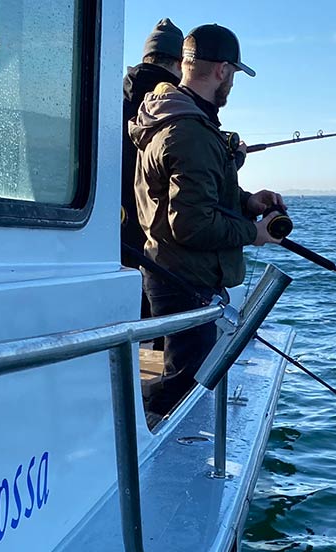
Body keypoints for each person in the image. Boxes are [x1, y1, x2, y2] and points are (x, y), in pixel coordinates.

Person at [129, 23, 285, 423]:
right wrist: (255, 233)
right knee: (181, 393)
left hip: (174, 272)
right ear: (221, 71)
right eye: (232, 75)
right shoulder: (189, 130)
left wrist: (248, 201)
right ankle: (152, 459)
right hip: (183, 278)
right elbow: (192, 224)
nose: (231, 84)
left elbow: (199, 194)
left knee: (182, 380)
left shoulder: (177, 115)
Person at [120, 18, 183, 319]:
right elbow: (183, 170)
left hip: (113, 239)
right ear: (180, 63)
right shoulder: (171, 105)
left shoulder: (112, 98)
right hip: (152, 242)